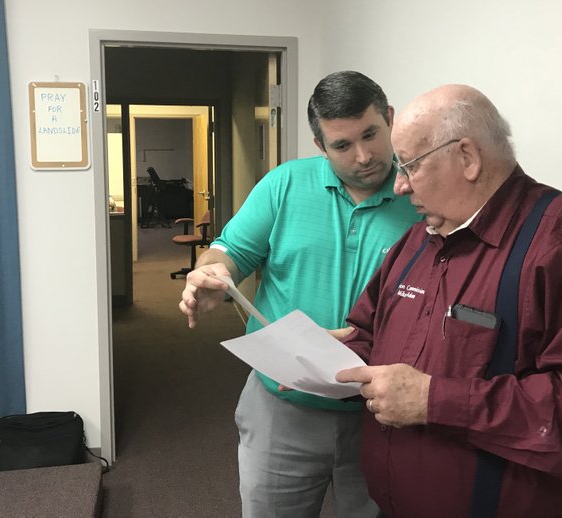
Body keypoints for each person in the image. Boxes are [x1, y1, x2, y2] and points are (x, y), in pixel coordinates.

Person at [335, 84, 562, 517]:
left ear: (467, 158)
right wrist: (322, 355)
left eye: (410, 166)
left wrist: (434, 400)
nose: (399, 185)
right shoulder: (419, 241)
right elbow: (370, 331)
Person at [179, 71, 421, 517]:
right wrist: (211, 277)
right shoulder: (284, 184)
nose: (364, 156)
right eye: (342, 146)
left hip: (383, 414)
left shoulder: (422, 194)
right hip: (281, 406)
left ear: (390, 119)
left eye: (371, 134)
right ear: (319, 145)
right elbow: (228, 252)